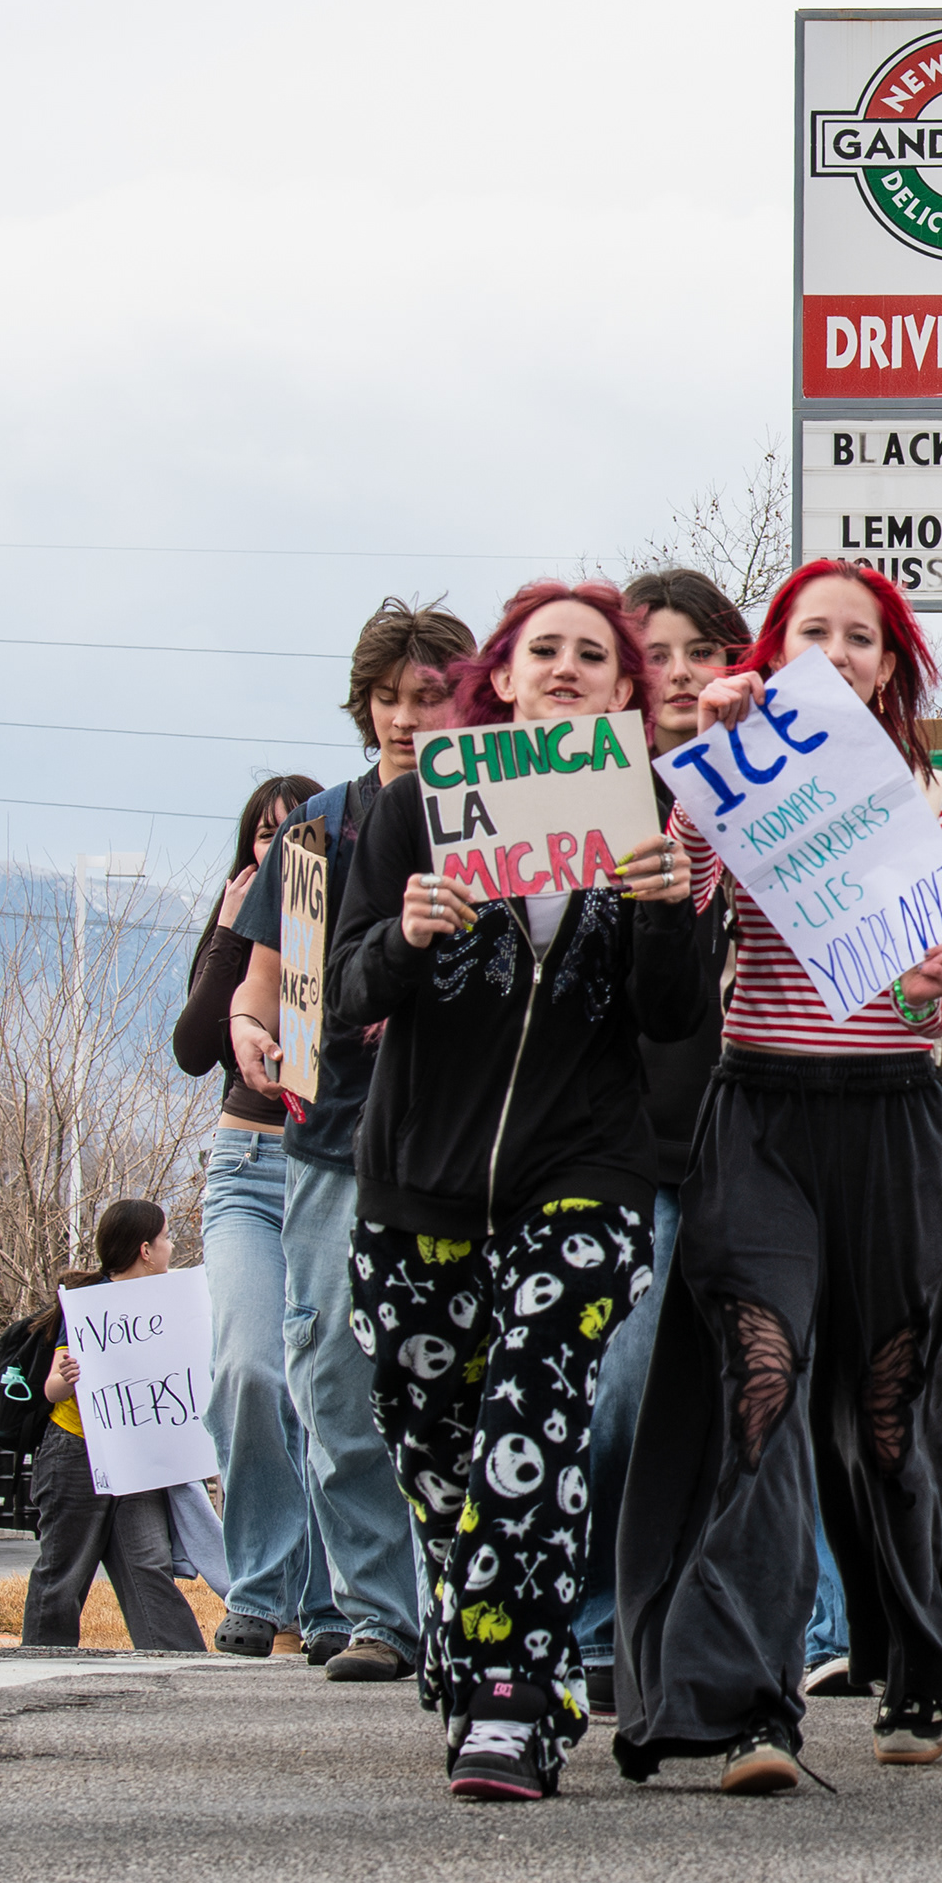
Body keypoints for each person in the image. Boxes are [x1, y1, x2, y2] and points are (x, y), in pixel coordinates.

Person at [327, 578, 709, 1800]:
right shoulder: (417, 811)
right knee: (440, 1459)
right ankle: (505, 1656)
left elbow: (672, 1019)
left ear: (622, 689)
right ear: (501, 674)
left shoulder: (655, 815)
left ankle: (505, 1710)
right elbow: (345, 994)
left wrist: (665, 915)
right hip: (419, 1185)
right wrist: (410, 934)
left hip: (585, 1175)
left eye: (592, 656)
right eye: (543, 649)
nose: (565, 668)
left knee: (528, 1430)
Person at [612, 559, 942, 1793]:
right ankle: (751, 1704)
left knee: (887, 1417)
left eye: (861, 638)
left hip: (890, 1126)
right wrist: (704, 788)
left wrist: (931, 991)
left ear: (893, 665)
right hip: (761, 1114)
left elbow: (930, 992)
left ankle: (917, 1672)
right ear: (770, 656)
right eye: (809, 634)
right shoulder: (727, 775)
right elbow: (690, 903)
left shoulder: (940, 799)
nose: (835, 653)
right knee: (759, 1389)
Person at [226, 598, 475, 1681]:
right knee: (330, 1365)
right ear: (364, 705)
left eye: (431, 698)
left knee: (450, 1373)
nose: (409, 719)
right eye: (390, 699)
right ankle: (379, 1608)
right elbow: (264, 983)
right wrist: (250, 1027)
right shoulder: (316, 825)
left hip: (461, 1128)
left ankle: (462, 1598)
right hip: (329, 1129)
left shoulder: (501, 807)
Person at [573, 567, 747, 1720]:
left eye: (701, 650)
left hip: (762, 1134)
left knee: (749, 1407)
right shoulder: (584, 801)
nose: (679, 672)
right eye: (656, 653)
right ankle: (589, 1625)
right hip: (626, 1146)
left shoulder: (781, 785)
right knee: (615, 1401)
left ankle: (720, 1632)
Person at [171, 771, 329, 1659]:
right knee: (247, 1371)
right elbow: (194, 1048)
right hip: (243, 1165)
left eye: (291, 834)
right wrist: (233, 930)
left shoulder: (343, 905)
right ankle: (261, 1589)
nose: (275, 850)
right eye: (261, 837)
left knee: (325, 1387)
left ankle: (325, 1597)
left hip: (328, 1163)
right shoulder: (241, 924)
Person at [17, 1201, 210, 1653]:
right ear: (146, 1249)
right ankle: (41, 1661)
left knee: (149, 1564)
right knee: (65, 1569)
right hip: (75, 1452)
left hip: (138, 1457)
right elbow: (51, 1390)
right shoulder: (89, 1308)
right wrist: (63, 1380)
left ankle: (179, 1660)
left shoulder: (172, 1306)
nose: (170, 1247)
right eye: (165, 1239)